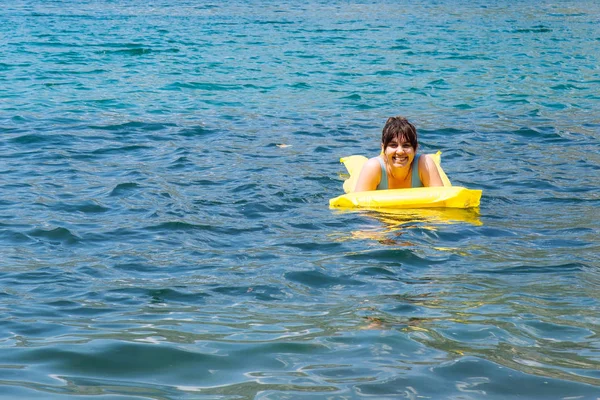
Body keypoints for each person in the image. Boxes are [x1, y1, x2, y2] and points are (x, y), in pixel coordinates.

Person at [353, 116, 443, 192]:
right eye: (393, 145)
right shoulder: (373, 167)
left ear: (415, 149)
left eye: (406, 145)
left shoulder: (425, 163)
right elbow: (360, 210)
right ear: (383, 148)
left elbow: (442, 201)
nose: (400, 151)